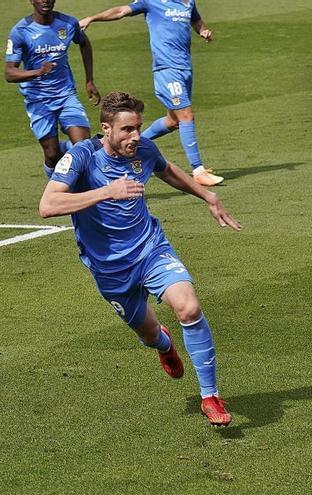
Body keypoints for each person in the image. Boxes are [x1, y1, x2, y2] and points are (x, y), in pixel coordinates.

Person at [39, 91, 241, 426]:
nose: (136, 136)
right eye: (127, 130)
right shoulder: (81, 157)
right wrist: (106, 191)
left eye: (138, 128)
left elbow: (167, 170)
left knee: (189, 307)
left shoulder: (144, 149)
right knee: (149, 335)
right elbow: (48, 206)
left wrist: (207, 195)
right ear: (106, 129)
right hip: (109, 268)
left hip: (150, 247)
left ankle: (211, 396)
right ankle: (163, 344)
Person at [78, 0, 224, 186]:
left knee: (173, 121)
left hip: (185, 69)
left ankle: (127, 145)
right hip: (166, 70)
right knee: (186, 115)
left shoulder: (188, 2)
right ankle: (198, 171)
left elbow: (196, 21)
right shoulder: (152, 2)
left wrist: (202, 30)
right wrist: (92, 18)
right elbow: (121, 11)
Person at [5, 0, 101, 178]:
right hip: (38, 100)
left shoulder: (68, 23)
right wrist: (38, 72)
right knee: (51, 154)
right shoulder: (20, 31)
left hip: (66, 96)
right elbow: (9, 73)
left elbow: (84, 43)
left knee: (84, 144)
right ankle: (56, 186)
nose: (45, 0)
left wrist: (89, 80)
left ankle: (82, 192)